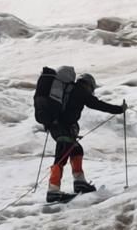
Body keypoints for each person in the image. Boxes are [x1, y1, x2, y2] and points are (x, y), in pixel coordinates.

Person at [36, 64, 125, 203]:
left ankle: (79, 182)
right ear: (89, 85)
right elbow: (98, 104)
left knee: (76, 149)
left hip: (58, 125)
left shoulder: (71, 90)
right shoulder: (80, 90)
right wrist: (119, 109)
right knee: (63, 153)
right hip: (59, 125)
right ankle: (53, 191)